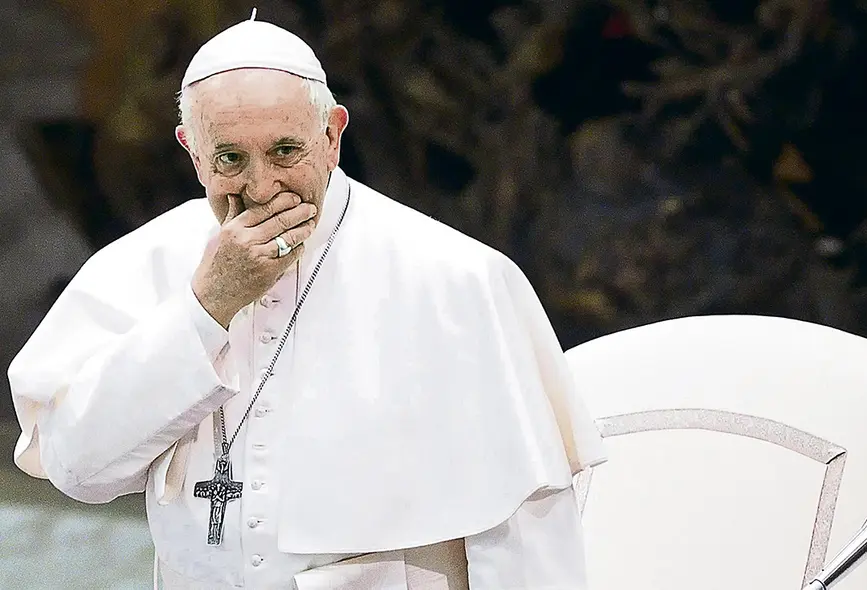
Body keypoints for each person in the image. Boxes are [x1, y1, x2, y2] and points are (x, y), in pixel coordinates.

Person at [7, 11, 606, 590]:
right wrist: (204, 309)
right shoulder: (147, 264)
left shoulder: (455, 278)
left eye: (286, 152)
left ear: (332, 134)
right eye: (230, 159)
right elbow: (77, 469)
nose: (262, 187)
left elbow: (527, 534)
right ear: (192, 151)